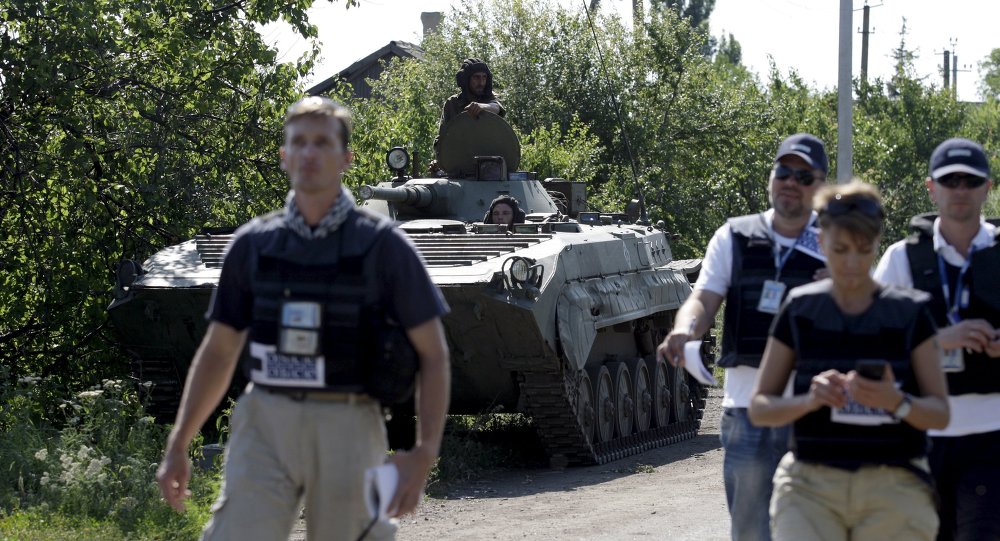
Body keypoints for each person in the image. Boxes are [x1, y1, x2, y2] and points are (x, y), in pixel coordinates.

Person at [156, 96, 451, 540]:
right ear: (284, 155)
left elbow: (434, 355)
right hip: (265, 421)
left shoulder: (385, 247)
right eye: (299, 143)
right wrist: (178, 444)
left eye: (322, 142)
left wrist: (423, 453)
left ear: (346, 157)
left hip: (352, 424)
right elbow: (218, 351)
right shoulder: (253, 245)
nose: (309, 153)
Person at [749, 181, 949, 541]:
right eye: (840, 250)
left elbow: (939, 412)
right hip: (810, 486)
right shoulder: (800, 307)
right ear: (822, 242)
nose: (853, 263)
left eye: (864, 249)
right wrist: (809, 400)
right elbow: (761, 408)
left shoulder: (910, 312)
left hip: (895, 483)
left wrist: (895, 402)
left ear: (877, 245)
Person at [656, 133, 830, 541]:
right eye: (784, 171)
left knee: (810, 530)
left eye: (804, 176)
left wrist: (838, 289)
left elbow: (862, 312)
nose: (791, 181)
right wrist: (684, 330)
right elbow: (703, 299)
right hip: (747, 409)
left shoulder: (837, 241)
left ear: (820, 186)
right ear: (772, 176)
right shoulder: (734, 236)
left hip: (812, 409)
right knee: (751, 531)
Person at [873, 137, 1000, 541]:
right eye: (950, 180)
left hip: (992, 433)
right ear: (931, 187)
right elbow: (872, 343)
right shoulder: (901, 258)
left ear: (988, 187)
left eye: (970, 180)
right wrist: (940, 340)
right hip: (922, 435)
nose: (960, 189)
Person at [432, 58, 505, 167]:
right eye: (476, 77)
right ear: (465, 80)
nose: (481, 83)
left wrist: (481, 106)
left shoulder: (489, 99)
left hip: (489, 165)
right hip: (459, 164)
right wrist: (441, 161)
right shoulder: (452, 104)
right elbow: (442, 140)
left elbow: (497, 108)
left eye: (484, 77)